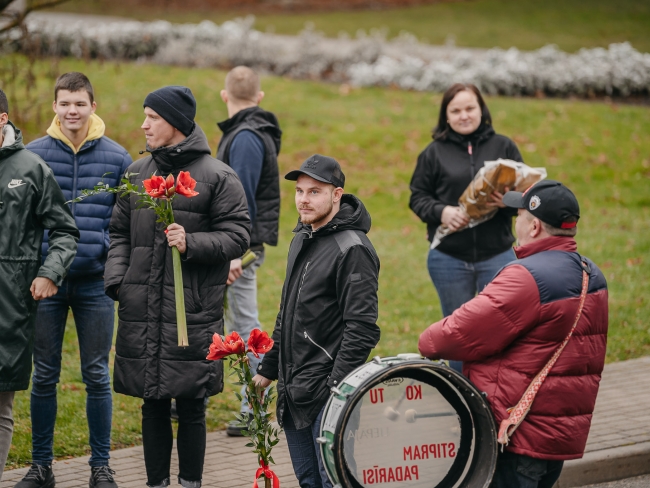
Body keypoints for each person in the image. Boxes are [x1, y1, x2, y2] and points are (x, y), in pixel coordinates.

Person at [104, 86, 250, 488]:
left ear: (176, 123)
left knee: (190, 405)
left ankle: (190, 483)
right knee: (151, 403)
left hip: (193, 311)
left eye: (151, 117)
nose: (143, 124)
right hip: (142, 307)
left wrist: (191, 243)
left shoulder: (217, 175)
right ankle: (156, 483)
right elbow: (117, 232)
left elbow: (238, 236)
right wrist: (120, 281)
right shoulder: (136, 173)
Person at [418, 180, 608, 488]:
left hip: (517, 433)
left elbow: (443, 338)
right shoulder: (591, 273)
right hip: (556, 437)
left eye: (517, 215)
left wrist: (429, 338)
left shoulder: (525, 277)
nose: (514, 222)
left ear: (533, 226)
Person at [14, 72, 132, 488]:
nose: (72, 111)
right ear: (54, 107)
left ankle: (101, 466)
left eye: (79, 103)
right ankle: (41, 466)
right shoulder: (32, 154)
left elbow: (123, 228)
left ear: (92, 107)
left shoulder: (119, 159)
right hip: (44, 285)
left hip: (94, 284)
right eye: (64, 103)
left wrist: (113, 271)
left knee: (97, 374)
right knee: (43, 374)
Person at [253, 155, 381, 488]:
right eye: (299, 191)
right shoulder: (302, 238)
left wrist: (335, 389)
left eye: (314, 192)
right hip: (294, 389)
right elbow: (288, 311)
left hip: (326, 393)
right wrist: (269, 370)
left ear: (337, 195)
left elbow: (362, 329)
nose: (304, 200)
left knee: (334, 480)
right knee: (309, 480)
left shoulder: (353, 249)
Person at [409, 83, 523, 371]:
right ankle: (462, 399)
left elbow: (526, 197)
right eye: (455, 110)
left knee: (501, 330)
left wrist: (504, 201)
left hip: (498, 256)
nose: (464, 115)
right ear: (445, 116)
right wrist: (442, 212)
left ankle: (498, 398)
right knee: (458, 334)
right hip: (449, 258)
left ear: (481, 110)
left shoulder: (504, 146)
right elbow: (417, 198)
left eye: (470, 108)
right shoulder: (433, 153)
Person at [0, 89, 79, 481]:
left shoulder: (30, 168)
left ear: (2, 119)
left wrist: (50, 272)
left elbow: (64, 230)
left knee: (0, 404)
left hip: (9, 304)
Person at [216, 66, 282, 436]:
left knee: (246, 327)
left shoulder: (244, 138)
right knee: (235, 326)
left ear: (224, 96)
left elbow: (241, 202)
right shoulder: (248, 133)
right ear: (259, 98)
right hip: (235, 248)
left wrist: (235, 254)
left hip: (240, 251)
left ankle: (255, 411)